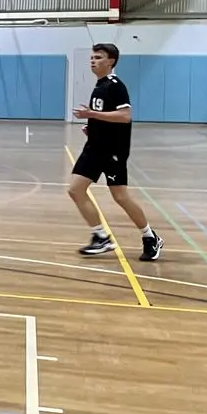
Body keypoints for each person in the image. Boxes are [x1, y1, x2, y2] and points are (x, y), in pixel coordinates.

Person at [68, 43, 163, 261]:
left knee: (120, 196)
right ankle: (101, 236)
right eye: (92, 57)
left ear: (111, 61)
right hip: (94, 148)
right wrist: (92, 128)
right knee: (75, 190)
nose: (93, 60)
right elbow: (106, 117)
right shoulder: (99, 86)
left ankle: (150, 237)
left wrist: (90, 113)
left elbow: (125, 116)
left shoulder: (115, 85)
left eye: (98, 57)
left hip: (112, 152)